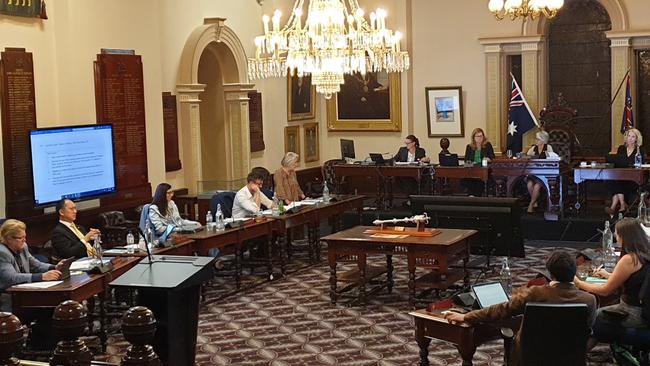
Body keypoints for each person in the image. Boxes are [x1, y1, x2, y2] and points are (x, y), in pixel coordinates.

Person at [445, 250, 597, 365]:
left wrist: (466, 316)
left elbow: (501, 309)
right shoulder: (590, 300)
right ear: (574, 273)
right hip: (570, 357)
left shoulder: (535, 294)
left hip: (530, 356)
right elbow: (586, 331)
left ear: (550, 273)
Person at [574, 218, 650, 345]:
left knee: (593, 316)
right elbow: (637, 279)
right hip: (644, 310)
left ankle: (576, 354)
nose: (615, 236)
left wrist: (578, 283)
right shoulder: (644, 253)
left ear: (624, 236)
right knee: (597, 316)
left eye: (617, 233)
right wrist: (610, 275)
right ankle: (580, 354)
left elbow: (605, 291)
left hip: (633, 313)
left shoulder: (629, 259)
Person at [1, 219, 64, 312]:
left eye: (25, 236)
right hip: (8, 297)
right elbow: (11, 278)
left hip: (25, 292)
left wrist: (54, 267)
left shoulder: (23, 246)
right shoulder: (2, 253)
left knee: (55, 304)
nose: (25, 240)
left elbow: (35, 265)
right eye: (21, 238)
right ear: (9, 238)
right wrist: (41, 276)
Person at [606, 128, 645, 216]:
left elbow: (640, 164)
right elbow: (618, 161)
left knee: (617, 184)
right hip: (620, 177)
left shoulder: (640, 150)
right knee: (613, 181)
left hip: (633, 180)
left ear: (636, 139)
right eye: (629, 136)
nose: (630, 138)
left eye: (633, 136)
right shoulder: (621, 148)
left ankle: (613, 207)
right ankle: (623, 205)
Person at [525, 130, 558, 213]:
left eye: (537, 139)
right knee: (529, 185)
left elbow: (551, 159)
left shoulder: (548, 148)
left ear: (543, 140)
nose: (535, 140)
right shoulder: (533, 148)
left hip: (543, 173)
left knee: (536, 186)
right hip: (533, 172)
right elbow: (526, 157)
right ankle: (535, 201)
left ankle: (531, 204)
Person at [462, 128, 495, 196]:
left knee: (479, 180)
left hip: (483, 170)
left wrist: (488, 159)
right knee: (467, 179)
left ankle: (476, 197)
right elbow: (466, 161)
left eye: (481, 136)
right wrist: (471, 164)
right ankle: (471, 196)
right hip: (472, 170)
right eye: (477, 136)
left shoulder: (487, 145)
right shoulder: (469, 147)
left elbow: (492, 158)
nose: (479, 138)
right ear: (473, 137)